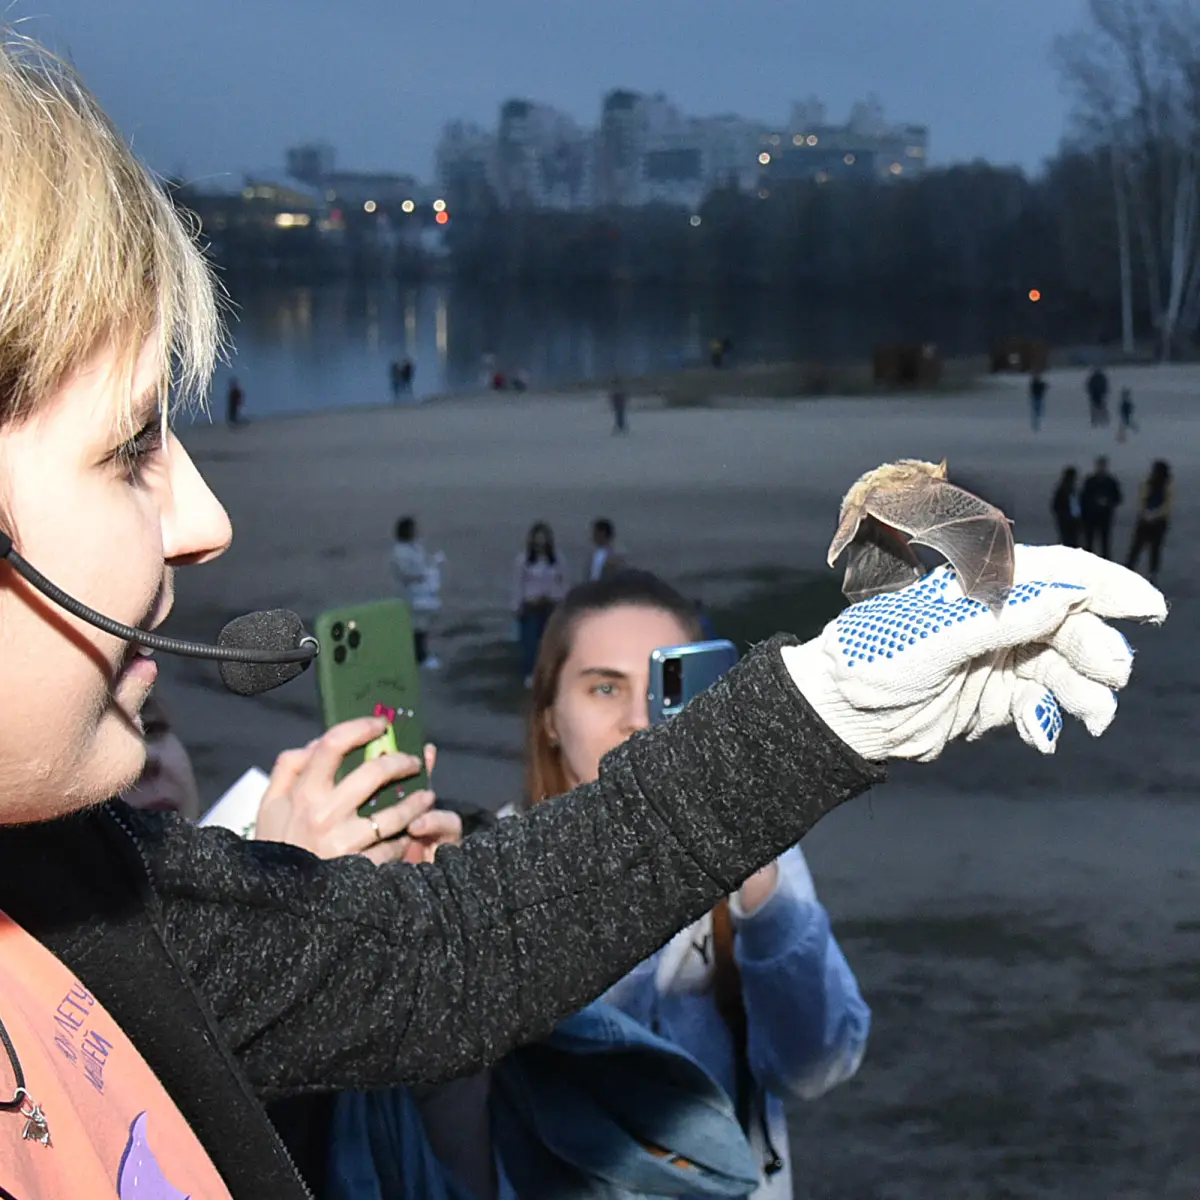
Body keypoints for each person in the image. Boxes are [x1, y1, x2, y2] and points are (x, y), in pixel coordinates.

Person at [0, 31, 1168, 1197]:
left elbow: (449, 955)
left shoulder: (82, 897)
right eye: (134, 444)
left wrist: (831, 701)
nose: (206, 514)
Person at [523, 572, 871, 1198]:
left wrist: (762, 896)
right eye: (605, 687)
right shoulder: (493, 874)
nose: (636, 720)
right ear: (550, 716)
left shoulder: (758, 856)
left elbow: (816, 1066)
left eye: (665, 686)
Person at [512, 521, 567, 685]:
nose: (540, 543)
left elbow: (563, 582)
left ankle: (551, 676)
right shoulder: (523, 560)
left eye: (543, 539)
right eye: (537, 539)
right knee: (530, 642)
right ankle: (530, 674)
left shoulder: (557, 559)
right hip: (531, 605)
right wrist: (516, 606)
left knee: (550, 643)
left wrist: (563, 603)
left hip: (551, 605)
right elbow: (518, 583)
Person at [391, 515, 444, 669]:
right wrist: (425, 572)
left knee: (423, 627)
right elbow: (407, 573)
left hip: (422, 594)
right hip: (412, 596)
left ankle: (421, 655)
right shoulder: (400, 551)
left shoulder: (415, 547)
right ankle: (420, 658)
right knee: (417, 628)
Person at [1126, 459, 1172, 585]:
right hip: (1151, 520)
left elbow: (1167, 504)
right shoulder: (1152, 483)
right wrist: (1147, 513)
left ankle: (1148, 572)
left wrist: (1150, 514)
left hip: (1153, 521)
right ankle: (1142, 571)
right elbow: (1142, 498)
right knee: (1141, 547)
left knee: (1150, 549)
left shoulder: (1164, 485)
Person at [1080, 456, 1123, 560]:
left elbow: (1117, 498)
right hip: (1095, 515)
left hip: (1102, 515)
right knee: (1092, 541)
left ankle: (1101, 560)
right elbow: (1083, 498)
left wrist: (1107, 502)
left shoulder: (1095, 480)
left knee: (1104, 542)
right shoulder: (1103, 481)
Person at [587, 517, 626, 582]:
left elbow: (594, 578)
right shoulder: (618, 553)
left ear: (601, 533)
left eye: (594, 532)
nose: (592, 536)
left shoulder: (602, 555)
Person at [1051, 466, 1081, 547]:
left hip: (1071, 519)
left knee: (1070, 540)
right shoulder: (1064, 491)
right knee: (1069, 539)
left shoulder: (1069, 490)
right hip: (1067, 519)